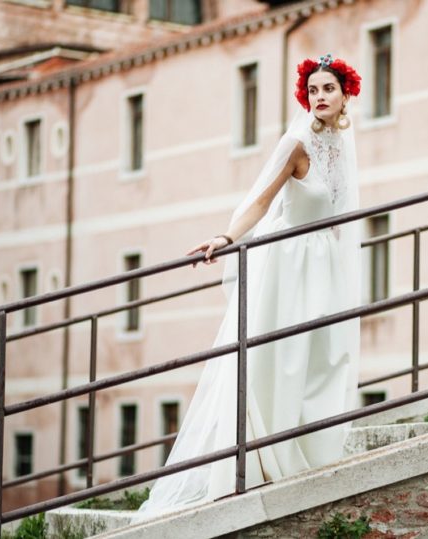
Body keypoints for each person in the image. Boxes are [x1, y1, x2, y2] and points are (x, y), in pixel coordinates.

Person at [134, 54, 362, 520]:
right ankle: (262, 458)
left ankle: (306, 448)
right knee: (281, 356)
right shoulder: (297, 142)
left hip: (323, 264)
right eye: (313, 90)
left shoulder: (342, 141)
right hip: (287, 266)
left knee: (325, 353)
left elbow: (339, 211)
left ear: (344, 94)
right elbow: (261, 200)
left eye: (328, 90)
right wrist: (226, 237)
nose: (320, 98)